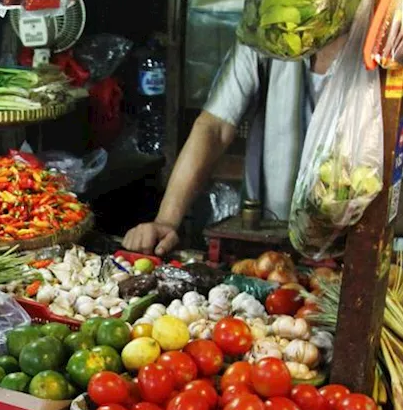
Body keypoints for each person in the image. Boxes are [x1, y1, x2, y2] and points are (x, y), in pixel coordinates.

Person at [122, 34, 348, 256]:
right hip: (269, 235)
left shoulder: (376, 47)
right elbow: (214, 128)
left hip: (352, 241)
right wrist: (166, 221)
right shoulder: (268, 34)